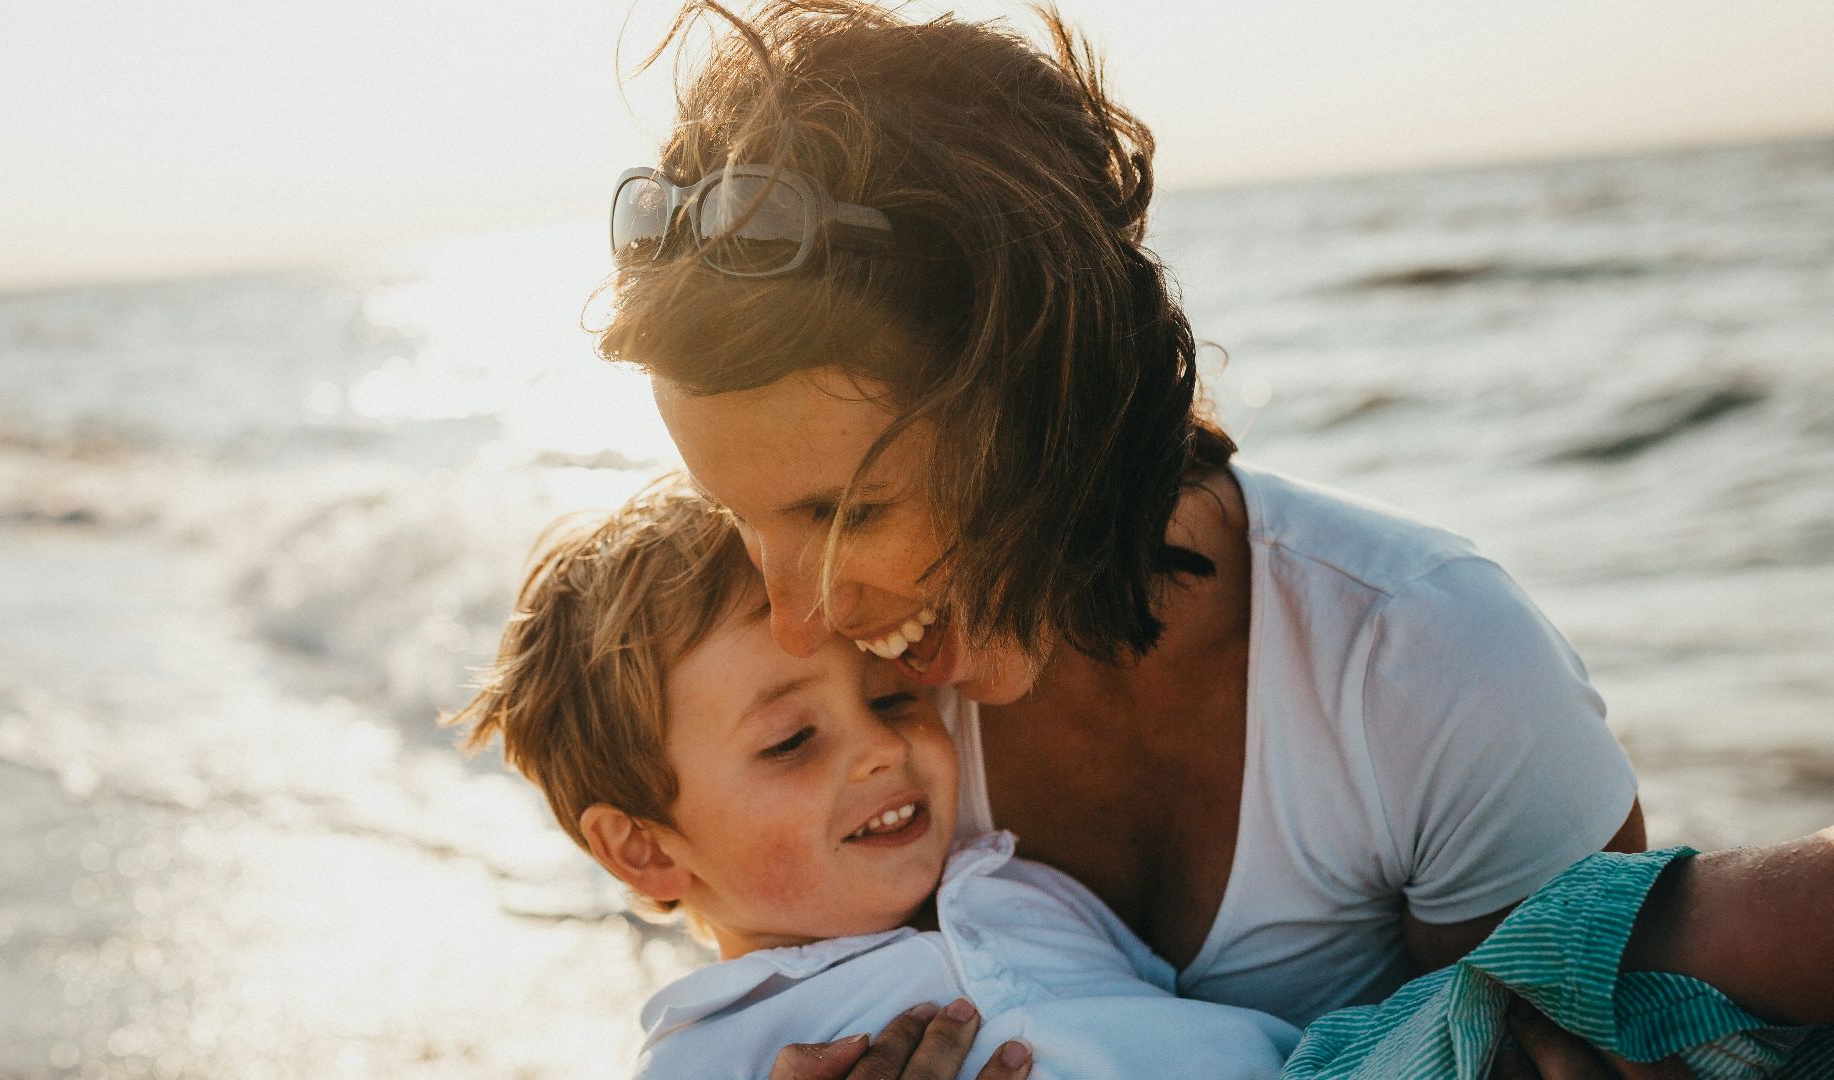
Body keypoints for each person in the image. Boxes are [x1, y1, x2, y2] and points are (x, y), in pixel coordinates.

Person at [599, 4, 1646, 1070]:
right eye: (738, 515)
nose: (798, 616)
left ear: (1054, 407)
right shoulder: (855, 729)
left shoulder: (1429, 669)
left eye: (848, 514)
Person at [447, 480, 1834, 1079]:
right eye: (790, 742)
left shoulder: (1005, 881)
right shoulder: (720, 1047)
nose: (882, 744)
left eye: (884, 693)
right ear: (642, 852)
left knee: (1684, 937)